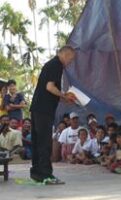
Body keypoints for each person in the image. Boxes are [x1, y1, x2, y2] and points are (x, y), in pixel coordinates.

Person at [29, 45, 76, 184]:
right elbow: (50, 87)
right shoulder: (57, 65)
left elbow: (49, 88)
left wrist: (62, 98)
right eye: (71, 59)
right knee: (44, 142)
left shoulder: (50, 64)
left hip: (38, 107)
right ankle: (45, 174)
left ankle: (37, 172)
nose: (70, 62)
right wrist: (63, 96)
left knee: (38, 142)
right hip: (44, 109)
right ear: (65, 55)